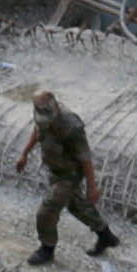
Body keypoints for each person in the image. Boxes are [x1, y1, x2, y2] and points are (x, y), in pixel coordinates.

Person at [24, 85, 124, 260]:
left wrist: (92, 187)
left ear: (54, 104)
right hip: (56, 171)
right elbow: (38, 130)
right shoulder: (42, 116)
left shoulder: (70, 126)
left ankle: (47, 249)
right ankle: (105, 235)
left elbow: (85, 158)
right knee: (76, 206)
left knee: (46, 212)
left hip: (69, 175)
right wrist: (24, 153)